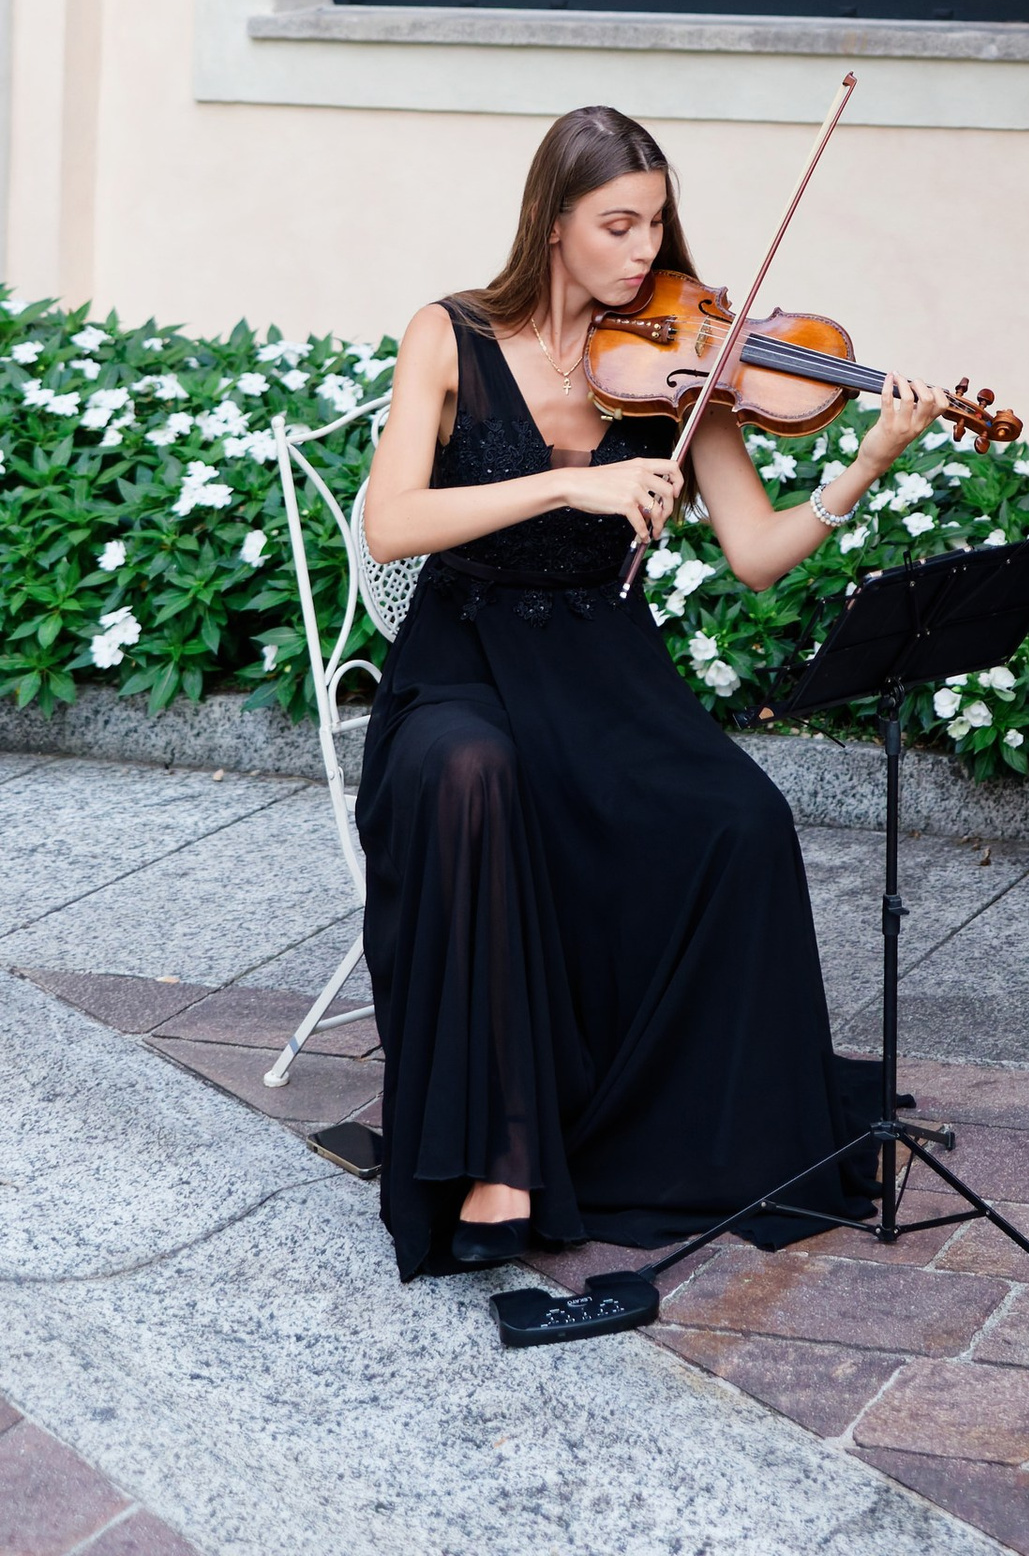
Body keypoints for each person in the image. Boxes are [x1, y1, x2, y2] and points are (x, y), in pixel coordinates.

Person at [356, 101, 946, 1280]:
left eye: (656, 224)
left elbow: (756, 551)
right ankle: (497, 1158)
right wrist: (562, 490)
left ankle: (667, 1122)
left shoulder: (680, 361)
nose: (643, 252)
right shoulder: (451, 334)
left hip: (603, 668)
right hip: (462, 660)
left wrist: (866, 464)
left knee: (742, 822)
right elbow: (391, 523)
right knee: (473, 777)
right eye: (616, 225)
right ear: (553, 223)